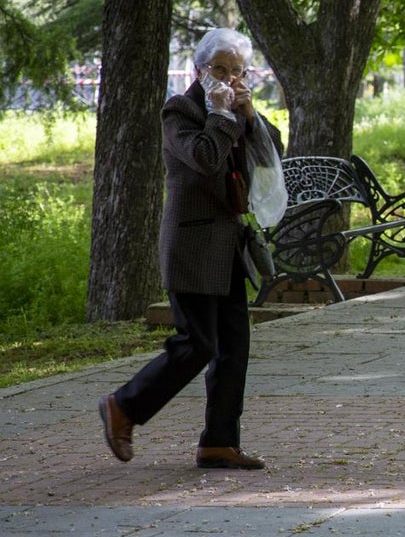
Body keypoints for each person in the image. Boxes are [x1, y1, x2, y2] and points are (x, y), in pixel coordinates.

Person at [99, 27, 283, 469]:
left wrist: (251, 114)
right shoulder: (179, 110)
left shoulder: (238, 110)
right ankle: (124, 406)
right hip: (192, 245)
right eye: (220, 69)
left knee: (233, 347)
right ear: (200, 70)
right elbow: (203, 158)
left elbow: (271, 154)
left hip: (229, 248)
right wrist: (221, 115)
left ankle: (219, 442)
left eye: (238, 71)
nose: (229, 77)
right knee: (197, 343)